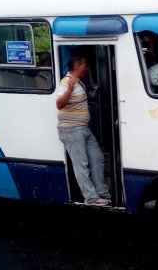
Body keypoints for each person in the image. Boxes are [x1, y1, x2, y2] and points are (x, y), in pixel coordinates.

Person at [56, 55, 110, 206]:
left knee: (97, 158)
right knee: (81, 165)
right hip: (72, 130)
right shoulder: (66, 82)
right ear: (78, 66)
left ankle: (102, 191)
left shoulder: (78, 82)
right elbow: (59, 104)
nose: (87, 68)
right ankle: (91, 198)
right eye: (85, 65)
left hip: (83, 129)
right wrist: (69, 90)